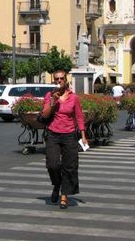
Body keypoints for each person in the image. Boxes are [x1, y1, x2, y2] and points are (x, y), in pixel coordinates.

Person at [40, 70, 87, 210]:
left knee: (69, 166)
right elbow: (45, 114)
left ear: (66, 80)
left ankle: (64, 196)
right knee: (52, 165)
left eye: (61, 78)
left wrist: (83, 136)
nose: (59, 81)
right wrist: (53, 102)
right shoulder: (49, 95)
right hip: (53, 134)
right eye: (56, 79)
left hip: (69, 134)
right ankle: (57, 184)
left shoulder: (74, 98)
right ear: (53, 80)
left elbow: (79, 116)